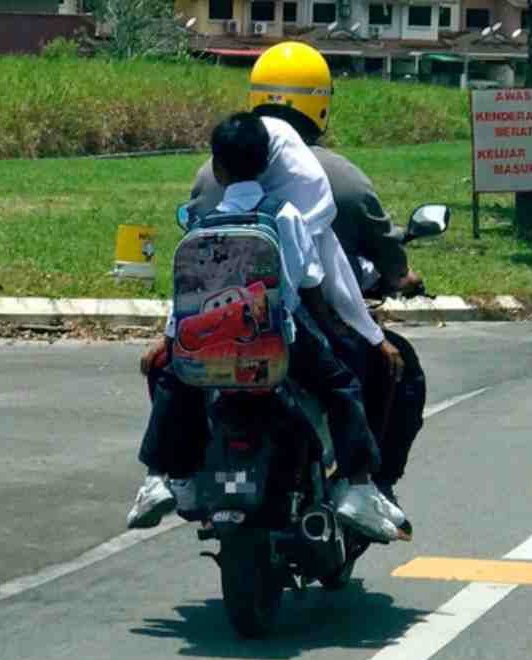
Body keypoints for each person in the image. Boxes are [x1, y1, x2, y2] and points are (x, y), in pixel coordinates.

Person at [128, 112, 406, 543]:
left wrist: (168, 342)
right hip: (277, 340)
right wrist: (337, 334)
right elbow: (311, 282)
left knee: (175, 381)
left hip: (213, 341)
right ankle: (356, 486)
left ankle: (160, 478)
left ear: (217, 168)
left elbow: (189, 295)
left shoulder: (204, 223)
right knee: (341, 385)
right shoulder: (289, 215)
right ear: (267, 164)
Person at [185, 42, 427, 520]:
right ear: (321, 103)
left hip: (216, 324)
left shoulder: (208, 182)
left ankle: (175, 474)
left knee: (175, 374)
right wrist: (364, 329)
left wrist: (170, 335)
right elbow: (323, 278)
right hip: (287, 329)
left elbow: (193, 272)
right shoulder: (329, 186)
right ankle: (365, 483)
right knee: (369, 375)